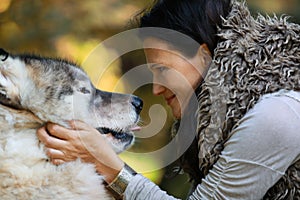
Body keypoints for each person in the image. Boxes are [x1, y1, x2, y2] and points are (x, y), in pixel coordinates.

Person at [37, 0, 300, 199]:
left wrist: (106, 164)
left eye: (162, 70)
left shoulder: (276, 114)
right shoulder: (233, 117)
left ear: (204, 55)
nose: (156, 90)